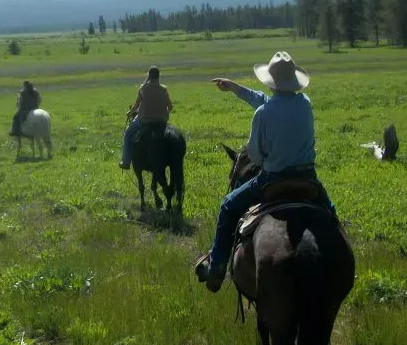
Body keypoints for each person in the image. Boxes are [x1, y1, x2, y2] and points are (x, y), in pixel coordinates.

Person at [195, 51, 337, 293]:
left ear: (271, 81)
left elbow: (257, 155)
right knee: (331, 215)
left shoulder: (263, 114)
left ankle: (217, 266)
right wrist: (236, 89)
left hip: (273, 178)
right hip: (307, 178)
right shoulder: (305, 104)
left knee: (228, 206)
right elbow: (271, 103)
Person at [119, 65, 173, 169]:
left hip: (144, 121)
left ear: (149, 76)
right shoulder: (164, 89)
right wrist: (163, 114)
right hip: (161, 121)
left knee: (128, 134)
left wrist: (129, 113)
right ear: (159, 76)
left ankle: (125, 161)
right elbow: (170, 107)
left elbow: (136, 106)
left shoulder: (143, 88)